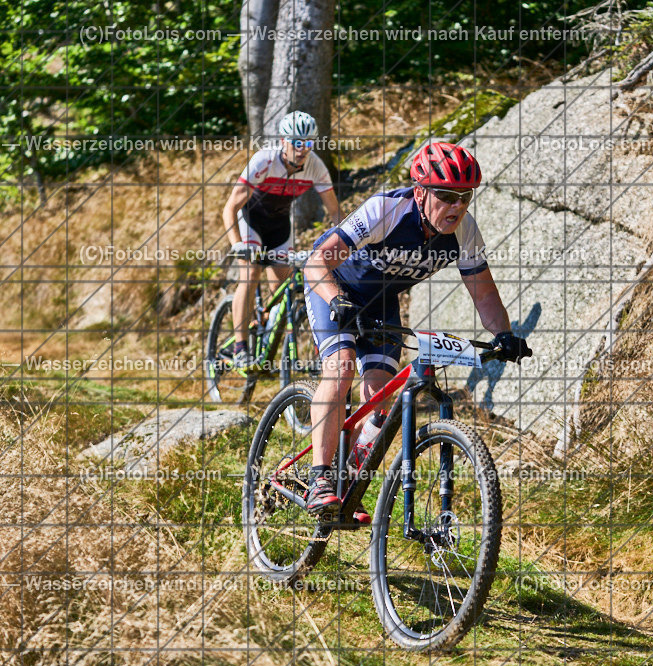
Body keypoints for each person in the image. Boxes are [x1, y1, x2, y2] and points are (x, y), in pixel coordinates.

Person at [302, 141, 531, 520]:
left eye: (465, 196)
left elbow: (484, 293)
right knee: (341, 367)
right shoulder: (386, 210)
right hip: (335, 289)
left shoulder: (464, 232)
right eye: (447, 196)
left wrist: (504, 336)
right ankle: (320, 478)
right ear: (421, 192)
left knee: (379, 397)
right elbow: (316, 263)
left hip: (381, 304)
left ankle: (345, 480)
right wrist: (335, 300)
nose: (457, 206)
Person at [223, 111, 344, 369]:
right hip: (251, 222)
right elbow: (230, 207)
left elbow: (335, 212)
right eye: (297, 143)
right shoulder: (263, 161)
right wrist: (237, 245)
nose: (302, 150)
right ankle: (240, 347)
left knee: (282, 290)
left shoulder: (315, 167)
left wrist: (346, 243)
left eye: (308, 143)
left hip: (279, 227)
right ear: (283, 141)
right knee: (250, 273)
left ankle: (263, 328)